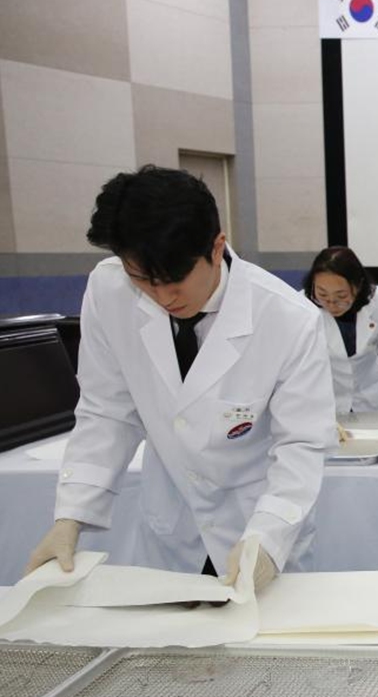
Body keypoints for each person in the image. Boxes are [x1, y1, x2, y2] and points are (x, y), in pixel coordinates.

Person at [24, 166, 337, 592]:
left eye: (174, 280)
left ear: (216, 246)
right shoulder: (109, 290)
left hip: (258, 522)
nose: (163, 296)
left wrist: (268, 537)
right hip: (172, 526)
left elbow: (300, 445)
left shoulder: (287, 318)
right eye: (143, 281)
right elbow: (107, 410)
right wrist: (71, 515)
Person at [303, 246, 378, 416]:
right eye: (322, 295)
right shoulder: (301, 308)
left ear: (358, 285)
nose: (331, 304)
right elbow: (300, 370)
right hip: (323, 405)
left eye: (341, 296)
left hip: (369, 401)